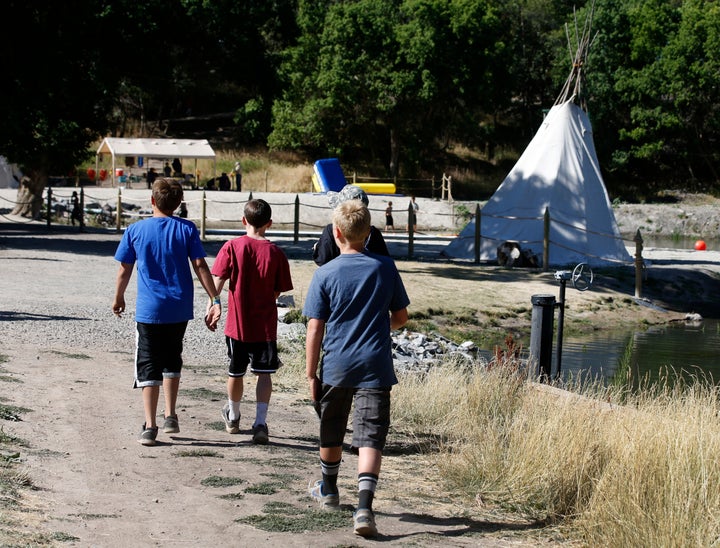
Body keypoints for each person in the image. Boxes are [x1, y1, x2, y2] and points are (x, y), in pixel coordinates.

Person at [304, 199, 410, 538]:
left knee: (332, 426)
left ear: (336, 234)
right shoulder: (385, 268)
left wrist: (310, 373)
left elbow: (315, 328)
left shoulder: (325, 273)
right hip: (375, 366)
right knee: (370, 436)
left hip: (336, 364)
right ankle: (364, 507)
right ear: (369, 233)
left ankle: (329, 489)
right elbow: (400, 317)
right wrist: (380, 325)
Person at [112, 178, 221, 446]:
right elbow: (200, 265)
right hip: (179, 307)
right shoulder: (186, 229)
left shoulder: (135, 230)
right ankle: (171, 414)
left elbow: (124, 269)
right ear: (179, 203)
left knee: (148, 361)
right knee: (173, 357)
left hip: (149, 309)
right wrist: (215, 298)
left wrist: (118, 297)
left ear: (152, 201)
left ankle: (150, 426)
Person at [211, 199, 293, 444]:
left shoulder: (231, 247)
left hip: (238, 324)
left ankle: (233, 415)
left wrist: (214, 303)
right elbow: (279, 291)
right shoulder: (276, 253)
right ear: (269, 223)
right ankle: (260, 422)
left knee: (235, 372)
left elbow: (218, 281)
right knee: (264, 374)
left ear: (243, 220)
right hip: (265, 326)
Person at [312, 184, 389, 266]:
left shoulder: (332, 230)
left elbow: (322, 260)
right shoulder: (373, 233)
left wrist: (317, 248)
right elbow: (385, 260)